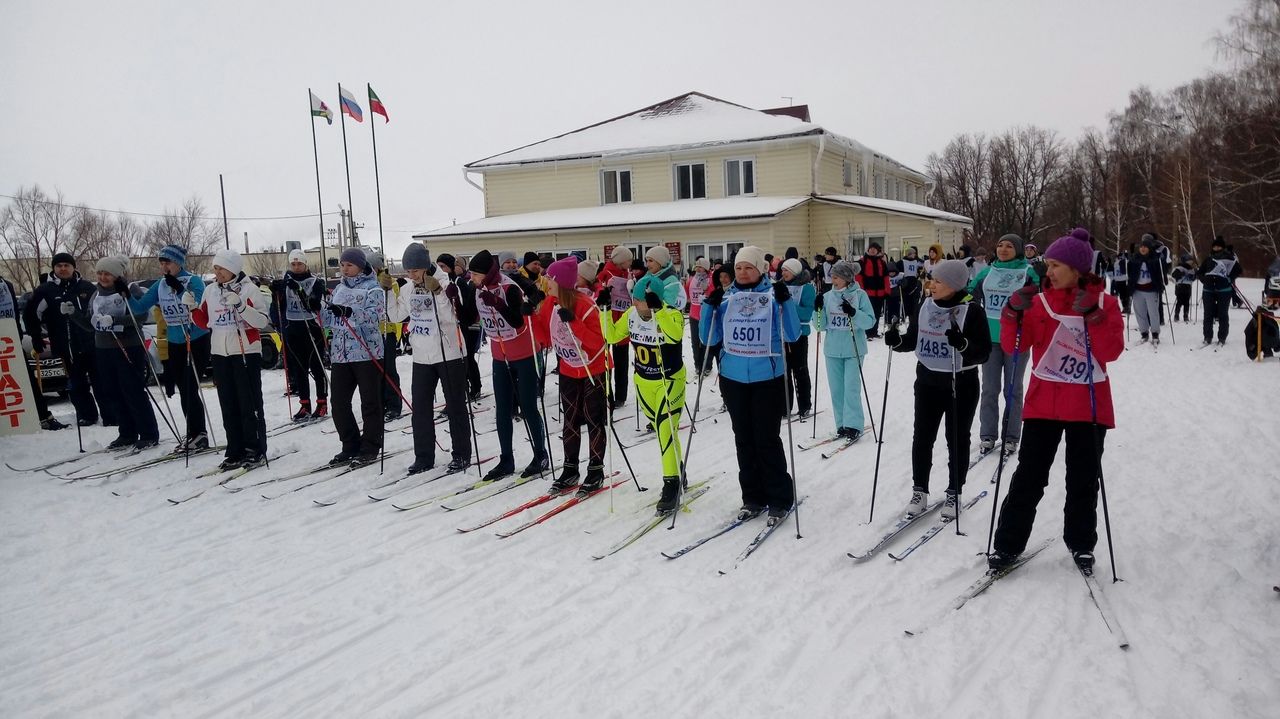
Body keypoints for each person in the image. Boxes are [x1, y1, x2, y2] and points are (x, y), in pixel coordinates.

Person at [988, 230, 1124, 574]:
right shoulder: (1039, 303)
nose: (1049, 271)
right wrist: (1011, 314)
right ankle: (1007, 545)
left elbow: (1111, 351)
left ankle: (1081, 543)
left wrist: (1093, 317)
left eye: (1056, 265)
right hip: (1043, 404)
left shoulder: (1106, 303)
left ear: (1078, 268)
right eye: (1047, 264)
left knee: (1083, 479)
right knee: (1029, 478)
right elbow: (1015, 346)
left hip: (1088, 406)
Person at [700, 245, 801, 525]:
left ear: (760, 269)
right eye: (739, 268)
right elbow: (708, 340)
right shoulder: (727, 299)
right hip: (733, 379)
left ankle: (779, 497)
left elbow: (793, 334)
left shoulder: (773, 297)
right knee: (743, 439)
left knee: (766, 439)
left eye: (749, 268)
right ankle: (753, 497)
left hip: (766, 378)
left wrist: (786, 302)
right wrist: (709, 307)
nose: (743, 273)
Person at [885, 259, 991, 520]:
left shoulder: (972, 311)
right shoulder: (924, 305)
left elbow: (983, 353)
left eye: (938, 281)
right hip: (927, 381)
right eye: (931, 279)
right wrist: (896, 341)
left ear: (954, 285)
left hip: (960, 384)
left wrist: (963, 344)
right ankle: (919, 489)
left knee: (956, 438)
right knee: (922, 437)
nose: (931, 284)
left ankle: (955, 491)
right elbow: (913, 340)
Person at [601, 269, 688, 512]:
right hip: (643, 382)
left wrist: (659, 311)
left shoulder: (672, 314)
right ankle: (678, 469)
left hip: (669, 381)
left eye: (641, 301)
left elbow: (675, 336)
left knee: (665, 431)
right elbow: (611, 336)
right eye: (636, 300)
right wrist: (605, 311)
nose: (637, 305)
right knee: (663, 432)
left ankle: (670, 484)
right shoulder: (631, 314)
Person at [388, 244, 471, 475]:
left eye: (415, 270)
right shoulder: (408, 288)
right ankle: (423, 456)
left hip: (449, 353)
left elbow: (454, 317)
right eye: (408, 271)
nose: (411, 275)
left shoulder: (446, 284)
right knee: (421, 409)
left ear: (426, 267)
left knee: (455, 406)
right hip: (422, 356)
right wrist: (387, 293)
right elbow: (396, 316)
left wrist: (438, 294)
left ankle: (461, 454)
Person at [470, 250, 549, 480]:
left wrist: (498, 304)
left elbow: (518, 322)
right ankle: (506, 459)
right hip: (499, 354)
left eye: (475, 274)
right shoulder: (479, 290)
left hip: (523, 352)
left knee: (528, 406)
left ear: (487, 274)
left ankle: (540, 455)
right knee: (503, 409)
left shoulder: (509, 288)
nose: (472, 278)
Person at [534, 257, 610, 496]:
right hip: (569, 367)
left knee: (593, 418)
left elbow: (598, 343)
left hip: (593, 367)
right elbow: (545, 338)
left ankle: (596, 469)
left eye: (549, 279)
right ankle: (570, 468)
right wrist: (530, 317)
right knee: (570, 419)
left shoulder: (585, 305)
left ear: (561, 282)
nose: (546, 282)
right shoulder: (550, 303)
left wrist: (574, 323)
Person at [189, 249, 270, 470]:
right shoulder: (210, 291)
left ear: (232, 269)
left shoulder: (249, 289)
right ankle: (235, 449)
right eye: (215, 269)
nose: (217, 273)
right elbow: (205, 322)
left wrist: (241, 306)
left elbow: (262, 322)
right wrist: (192, 309)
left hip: (245, 352)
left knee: (248, 402)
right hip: (220, 353)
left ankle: (254, 448)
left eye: (221, 269)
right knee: (228, 403)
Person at [125, 245, 209, 451]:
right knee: (183, 388)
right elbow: (139, 307)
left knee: (190, 386)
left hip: (195, 338)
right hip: (175, 340)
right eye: (161, 263)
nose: (164, 267)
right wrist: (125, 293)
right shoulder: (160, 285)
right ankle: (193, 432)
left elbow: (198, 306)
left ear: (179, 263)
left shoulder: (194, 281)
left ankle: (200, 434)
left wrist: (180, 290)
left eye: (168, 262)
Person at [966, 233, 1040, 457]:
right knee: (989, 389)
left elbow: (1041, 297)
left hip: (1018, 338)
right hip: (990, 339)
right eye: (1000, 245)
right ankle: (988, 434)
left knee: (1013, 389)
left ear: (1018, 250)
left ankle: (1011, 435)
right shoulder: (988, 272)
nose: (1003, 249)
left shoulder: (1028, 272)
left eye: (1009, 246)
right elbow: (969, 296)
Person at [21, 251, 106, 427]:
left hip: (92, 343)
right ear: (54, 268)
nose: (63, 268)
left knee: (102, 381)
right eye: (59, 266)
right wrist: (36, 336)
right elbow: (31, 315)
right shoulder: (46, 290)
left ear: (73, 267)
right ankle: (87, 415)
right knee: (76, 385)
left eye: (66, 265)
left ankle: (111, 414)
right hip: (66, 346)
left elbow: (99, 311)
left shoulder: (87, 288)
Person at [83, 256, 159, 449]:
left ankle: (148, 432)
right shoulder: (96, 294)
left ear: (117, 274)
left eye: (107, 273)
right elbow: (89, 323)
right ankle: (127, 432)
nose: (103, 277)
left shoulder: (129, 290)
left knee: (132, 390)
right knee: (113, 392)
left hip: (128, 346)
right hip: (103, 348)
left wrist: (116, 321)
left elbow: (141, 315)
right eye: (100, 273)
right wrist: (72, 314)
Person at [324, 248, 387, 467]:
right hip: (341, 355)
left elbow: (374, 317)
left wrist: (351, 312)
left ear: (360, 265)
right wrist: (319, 307)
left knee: (370, 402)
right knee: (339, 403)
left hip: (366, 353)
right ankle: (349, 445)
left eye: (349, 265)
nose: (345, 269)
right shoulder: (339, 289)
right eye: (342, 265)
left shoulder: (373, 288)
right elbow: (327, 319)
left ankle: (370, 446)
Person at [816, 260, 876, 439]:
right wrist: (817, 309)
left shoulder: (860, 295)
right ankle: (841, 424)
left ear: (847, 278)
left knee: (851, 387)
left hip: (854, 348)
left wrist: (854, 313)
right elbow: (820, 326)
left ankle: (854, 424)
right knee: (836, 389)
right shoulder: (827, 297)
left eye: (836, 277)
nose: (832, 279)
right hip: (832, 349)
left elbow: (870, 321)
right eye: (832, 276)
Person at [271, 249, 329, 421]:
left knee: (316, 367)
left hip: (311, 327)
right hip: (293, 328)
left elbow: (314, 305)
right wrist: (276, 292)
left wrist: (301, 292)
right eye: (293, 264)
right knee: (299, 369)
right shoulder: (286, 282)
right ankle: (305, 404)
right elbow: (279, 306)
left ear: (305, 264)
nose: (296, 267)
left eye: (299, 264)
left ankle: (322, 402)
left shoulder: (315, 282)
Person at [441, 253, 484, 401]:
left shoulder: (459, 282)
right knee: (460, 358)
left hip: (468, 325)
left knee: (468, 357)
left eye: (443, 267)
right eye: (438, 266)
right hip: (457, 326)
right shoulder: (448, 281)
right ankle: (465, 386)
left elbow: (466, 305)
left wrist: (463, 320)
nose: (441, 270)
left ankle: (476, 387)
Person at [368, 252, 404, 422]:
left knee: (388, 369)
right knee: (376, 371)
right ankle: (381, 402)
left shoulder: (390, 281)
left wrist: (387, 289)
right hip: (372, 333)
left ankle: (394, 405)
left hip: (387, 331)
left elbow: (394, 302)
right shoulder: (367, 283)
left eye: (373, 267)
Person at [599, 246, 635, 408]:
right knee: (606, 362)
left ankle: (621, 395)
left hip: (623, 322)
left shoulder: (628, 274)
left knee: (622, 361)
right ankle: (607, 394)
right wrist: (604, 289)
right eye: (629, 259)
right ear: (621, 260)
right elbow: (597, 290)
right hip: (607, 321)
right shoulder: (606, 273)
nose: (631, 262)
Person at [781, 257, 816, 418]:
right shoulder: (780, 286)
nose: (783, 273)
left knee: (800, 370)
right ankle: (785, 406)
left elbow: (807, 313)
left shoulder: (806, 288)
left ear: (794, 271)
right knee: (784, 372)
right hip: (781, 335)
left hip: (799, 334)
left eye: (786, 270)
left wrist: (789, 304)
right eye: (782, 270)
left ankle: (805, 405)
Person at [1198, 235, 1243, 347]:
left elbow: (1238, 270)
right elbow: (1200, 272)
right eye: (1215, 247)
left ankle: (1222, 337)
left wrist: (1230, 279)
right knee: (1208, 314)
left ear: (1222, 247)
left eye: (1219, 247)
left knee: (1223, 314)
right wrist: (1204, 279)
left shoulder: (1229, 258)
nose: (1216, 248)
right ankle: (1207, 336)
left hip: (1224, 290)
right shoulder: (1208, 259)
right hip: (1208, 290)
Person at [1127, 234, 1166, 346]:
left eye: (1145, 247)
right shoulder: (1135, 259)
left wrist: (1161, 285)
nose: (1143, 249)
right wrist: (1129, 287)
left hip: (1151, 290)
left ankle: (1155, 333)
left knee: (1153, 313)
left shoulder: (1155, 259)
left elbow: (1161, 273)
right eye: (1141, 247)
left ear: (1149, 248)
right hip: (1137, 290)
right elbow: (1130, 274)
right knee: (1140, 313)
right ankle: (1144, 333)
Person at [685, 257, 713, 375]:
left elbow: (714, 293)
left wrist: (707, 291)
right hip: (694, 314)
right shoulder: (691, 279)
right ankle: (698, 364)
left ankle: (707, 365)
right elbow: (686, 293)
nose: (698, 269)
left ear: (706, 268)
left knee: (707, 341)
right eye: (697, 267)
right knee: (695, 342)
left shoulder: (711, 279)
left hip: (707, 314)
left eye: (701, 267)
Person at [857, 242, 891, 339]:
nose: (872, 250)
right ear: (868, 250)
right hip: (867, 293)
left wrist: (887, 291)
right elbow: (859, 278)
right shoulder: (862, 262)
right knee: (868, 313)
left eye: (874, 249)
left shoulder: (882, 263)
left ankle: (874, 331)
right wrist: (861, 291)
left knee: (877, 313)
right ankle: (868, 332)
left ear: (878, 251)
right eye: (871, 248)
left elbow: (886, 278)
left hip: (880, 293)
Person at [1171, 254, 1196, 323]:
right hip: (1180, 286)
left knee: (1187, 302)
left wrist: (1193, 276)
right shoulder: (1179, 268)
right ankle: (1176, 315)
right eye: (1189, 261)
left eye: (1191, 261)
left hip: (1188, 286)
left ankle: (1186, 315)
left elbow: (1193, 278)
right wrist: (1181, 274)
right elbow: (1174, 275)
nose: (1191, 262)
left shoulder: (1191, 269)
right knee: (1179, 301)